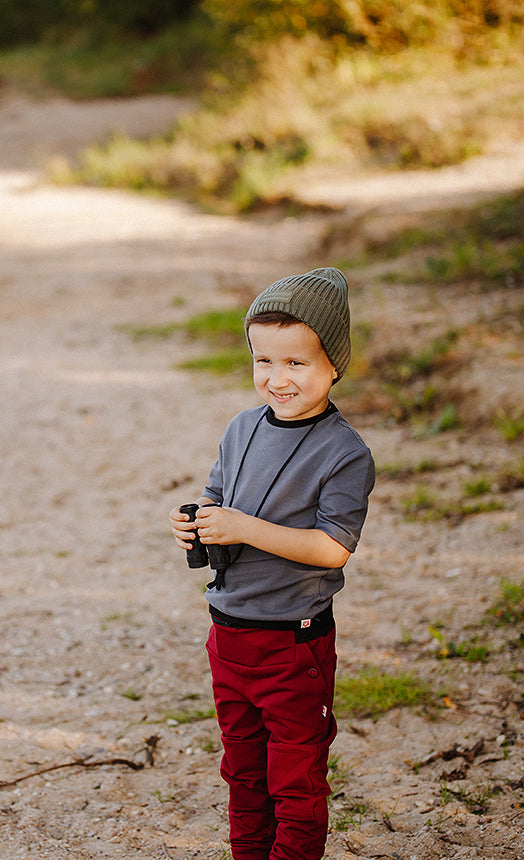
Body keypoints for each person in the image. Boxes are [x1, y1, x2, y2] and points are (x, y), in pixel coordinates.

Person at [168, 267, 375, 860]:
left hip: (293, 645)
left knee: (295, 780)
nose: (276, 379)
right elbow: (218, 494)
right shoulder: (241, 428)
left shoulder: (344, 452)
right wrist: (200, 522)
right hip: (228, 637)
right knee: (244, 772)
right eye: (264, 362)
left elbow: (333, 547)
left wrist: (244, 528)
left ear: (334, 365)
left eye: (296, 364)